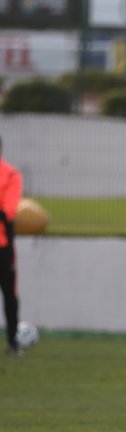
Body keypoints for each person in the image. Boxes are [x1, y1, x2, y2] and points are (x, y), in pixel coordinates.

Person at [0, 136, 23, 356]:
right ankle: (13, 343)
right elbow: (8, 213)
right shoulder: (10, 175)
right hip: (3, 246)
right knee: (9, 294)